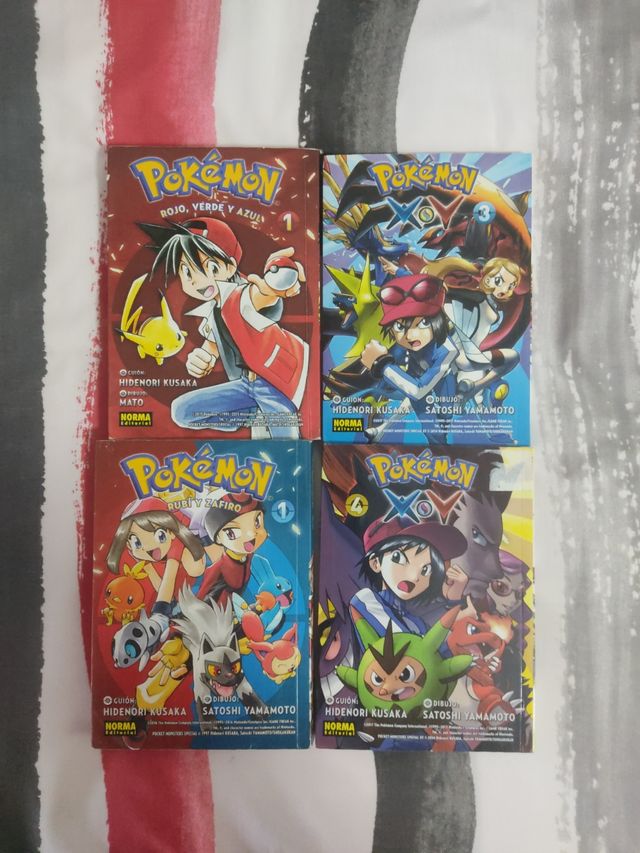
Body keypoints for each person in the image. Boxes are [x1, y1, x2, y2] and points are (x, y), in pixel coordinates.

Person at [139, 217, 308, 437]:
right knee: (182, 411)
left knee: (286, 446)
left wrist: (276, 283)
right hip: (244, 387)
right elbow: (211, 347)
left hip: (275, 385)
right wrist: (201, 359)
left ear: (230, 266)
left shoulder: (242, 295)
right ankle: (250, 415)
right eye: (187, 272)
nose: (198, 281)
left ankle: (262, 414)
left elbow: (262, 295)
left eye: (210, 267)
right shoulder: (212, 311)